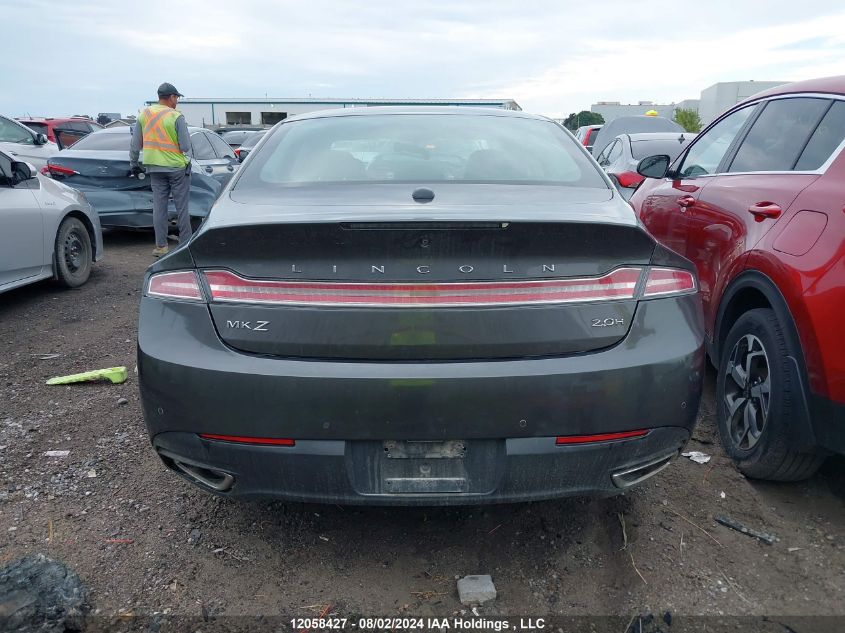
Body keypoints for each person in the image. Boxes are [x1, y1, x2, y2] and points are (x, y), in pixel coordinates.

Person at [129, 83, 192, 257]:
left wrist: (133, 163)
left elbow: (135, 145)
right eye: (177, 98)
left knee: (159, 207)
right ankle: (185, 245)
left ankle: (161, 246)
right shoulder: (176, 116)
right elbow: (186, 146)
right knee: (182, 207)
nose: (177, 101)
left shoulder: (144, 115)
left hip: (154, 168)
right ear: (171, 97)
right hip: (176, 168)